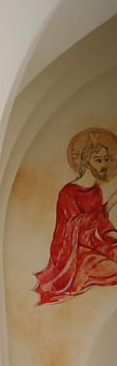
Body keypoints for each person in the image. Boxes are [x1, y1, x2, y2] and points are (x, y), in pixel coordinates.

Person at [32, 127, 117, 304]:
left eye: (106, 160)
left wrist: (112, 235)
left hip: (92, 243)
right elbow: (73, 226)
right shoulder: (68, 192)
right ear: (86, 163)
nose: (104, 165)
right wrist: (108, 205)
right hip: (71, 253)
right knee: (111, 268)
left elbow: (100, 224)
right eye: (98, 160)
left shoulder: (96, 190)